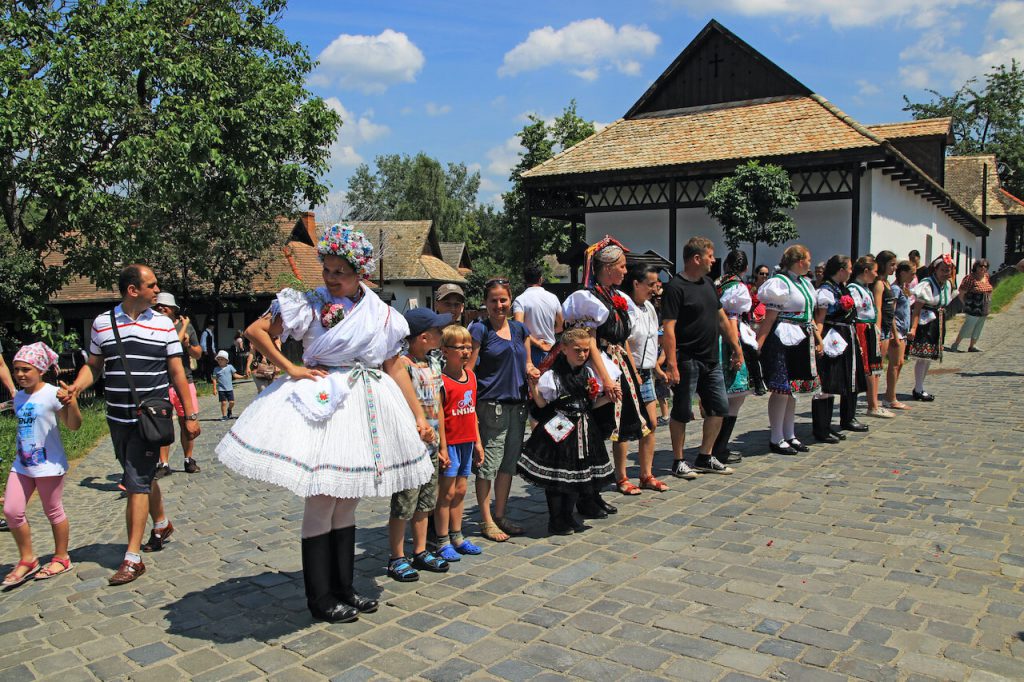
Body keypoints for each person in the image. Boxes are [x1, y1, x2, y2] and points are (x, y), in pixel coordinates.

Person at [216, 223, 435, 623]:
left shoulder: (383, 314)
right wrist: (291, 368)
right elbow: (256, 332)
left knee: (347, 501)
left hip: (365, 403)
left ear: (360, 273)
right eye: (328, 270)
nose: (332, 279)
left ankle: (343, 587)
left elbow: (393, 366)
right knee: (322, 498)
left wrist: (418, 415)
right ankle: (320, 596)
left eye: (341, 272)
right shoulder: (310, 302)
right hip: (326, 402)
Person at [65, 264, 201, 585]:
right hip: (117, 418)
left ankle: (132, 557)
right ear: (133, 290)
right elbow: (94, 366)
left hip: (150, 419)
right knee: (138, 474)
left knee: (136, 482)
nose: (157, 290)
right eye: (152, 285)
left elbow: (178, 372)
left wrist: (190, 416)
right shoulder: (102, 324)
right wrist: (77, 386)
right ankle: (162, 523)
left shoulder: (165, 325)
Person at [560, 237, 646, 517]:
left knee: (604, 432)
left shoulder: (614, 297)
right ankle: (586, 494)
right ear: (607, 268)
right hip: (600, 372)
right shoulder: (589, 298)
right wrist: (606, 380)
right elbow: (591, 343)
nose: (625, 271)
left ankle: (593, 492)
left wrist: (632, 372)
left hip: (617, 366)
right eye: (621, 266)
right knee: (592, 434)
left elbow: (625, 342)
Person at [518, 327, 614, 534]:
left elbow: (590, 404)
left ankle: (568, 515)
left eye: (586, 350)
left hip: (583, 430)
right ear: (564, 349)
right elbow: (542, 405)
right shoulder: (553, 375)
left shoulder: (587, 373)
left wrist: (607, 398)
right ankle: (556, 519)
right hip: (560, 431)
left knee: (577, 476)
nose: (582, 354)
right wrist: (534, 387)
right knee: (558, 479)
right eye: (577, 350)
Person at [661, 237, 743, 475]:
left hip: (711, 359)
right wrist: (672, 364)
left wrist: (736, 348)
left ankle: (705, 456)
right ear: (696, 258)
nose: (714, 260)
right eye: (710, 255)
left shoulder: (708, 283)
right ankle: (678, 461)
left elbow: (722, 319)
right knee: (683, 411)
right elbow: (668, 328)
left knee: (719, 408)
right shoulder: (675, 288)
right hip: (687, 359)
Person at [2, 344, 80, 587]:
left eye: (26, 369)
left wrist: (71, 403)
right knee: (12, 511)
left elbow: (74, 425)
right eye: (16, 370)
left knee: (53, 510)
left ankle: (61, 557)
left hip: (48, 464)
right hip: (22, 464)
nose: (20, 374)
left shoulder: (53, 393)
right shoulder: (19, 397)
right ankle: (27, 559)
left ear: (41, 369)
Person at [386, 308, 453, 582]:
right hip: (409, 445)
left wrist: (442, 445)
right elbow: (397, 405)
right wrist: (416, 430)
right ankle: (396, 556)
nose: (442, 335)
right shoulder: (401, 365)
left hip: (432, 443)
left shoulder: (433, 363)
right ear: (423, 337)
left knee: (426, 501)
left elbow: (437, 406)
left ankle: (421, 549)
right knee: (404, 503)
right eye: (438, 332)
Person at [469, 279, 537, 542]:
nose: (499, 305)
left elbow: (527, 362)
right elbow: (470, 371)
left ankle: (500, 514)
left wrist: (531, 370)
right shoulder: (480, 330)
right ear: (486, 303)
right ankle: (485, 520)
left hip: (518, 406)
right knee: (488, 465)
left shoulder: (520, 329)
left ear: (511, 301)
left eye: (503, 300)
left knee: (508, 464)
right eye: (493, 300)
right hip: (491, 407)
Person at [757, 245, 822, 455]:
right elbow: (770, 317)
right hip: (782, 339)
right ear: (800, 261)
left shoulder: (803, 283)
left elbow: (809, 314)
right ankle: (776, 437)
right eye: (808, 260)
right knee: (781, 388)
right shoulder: (779, 283)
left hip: (801, 337)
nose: (810, 264)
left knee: (792, 389)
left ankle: (789, 433)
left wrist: (818, 338)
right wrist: (758, 343)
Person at [434, 325, 484, 562]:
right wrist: (442, 447)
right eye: (459, 347)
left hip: (467, 442)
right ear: (445, 350)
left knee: (461, 490)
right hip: (451, 443)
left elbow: (472, 411)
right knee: (447, 492)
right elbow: (440, 416)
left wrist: (478, 442)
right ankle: (442, 539)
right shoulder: (441, 380)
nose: (465, 352)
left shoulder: (471, 376)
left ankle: (458, 535)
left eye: (468, 346)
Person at [616, 263, 666, 494]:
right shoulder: (625, 306)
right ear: (636, 283)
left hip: (646, 373)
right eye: (650, 284)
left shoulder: (649, 308)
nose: (655, 289)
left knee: (652, 424)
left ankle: (646, 474)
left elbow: (653, 339)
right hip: (628, 372)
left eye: (656, 284)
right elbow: (623, 339)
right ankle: (622, 477)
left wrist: (657, 366)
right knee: (624, 427)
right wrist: (631, 369)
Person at [713, 249, 760, 463]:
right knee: (734, 395)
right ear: (746, 267)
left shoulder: (719, 283)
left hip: (716, 337)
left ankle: (717, 444)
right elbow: (731, 317)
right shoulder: (738, 287)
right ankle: (719, 447)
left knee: (725, 394)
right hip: (729, 338)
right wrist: (736, 349)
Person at [813, 255, 865, 442]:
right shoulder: (826, 290)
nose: (851, 271)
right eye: (849, 268)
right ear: (841, 270)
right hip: (832, 337)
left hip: (845, 335)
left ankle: (828, 425)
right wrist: (818, 340)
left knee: (839, 380)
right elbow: (820, 318)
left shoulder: (841, 288)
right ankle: (821, 428)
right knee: (827, 381)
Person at [153, 292, 203, 477]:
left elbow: (198, 353)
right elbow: (172, 342)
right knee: (162, 424)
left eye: (164, 305)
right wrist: (185, 327)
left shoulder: (186, 327)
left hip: (185, 380)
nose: (160, 308)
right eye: (157, 305)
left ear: (174, 309)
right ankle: (163, 463)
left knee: (187, 422)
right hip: (161, 382)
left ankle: (188, 459)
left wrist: (189, 345)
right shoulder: (153, 327)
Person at [849, 256, 892, 419]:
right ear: (865, 271)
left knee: (874, 367)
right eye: (874, 271)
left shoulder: (865, 288)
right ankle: (872, 404)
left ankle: (874, 403)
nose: (876, 274)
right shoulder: (854, 288)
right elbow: (857, 310)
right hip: (861, 328)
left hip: (868, 327)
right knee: (867, 367)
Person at [907, 254, 954, 401]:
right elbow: (917, 308)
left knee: (929, 357)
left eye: (948, 270)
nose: (946, 273)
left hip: (937, 322)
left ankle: (920, 387)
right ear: (935, 269)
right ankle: (919, 388)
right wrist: (913, 328)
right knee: (923, 357)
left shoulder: (947, 284)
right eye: (943, 270)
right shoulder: (927, 284)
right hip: (925, 323)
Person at [513, 264, 564, 367]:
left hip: (529, 352)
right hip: (552, 350)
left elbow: (518, 328)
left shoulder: (520, 300)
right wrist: (549, 331)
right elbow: (561, 325)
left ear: (525, 280)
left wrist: (537, 342)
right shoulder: (553, 298)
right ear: (541, 279)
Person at [882, 260, 914, 410]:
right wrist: (894, 333)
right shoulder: (895, 289)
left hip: (903, 331)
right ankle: (890, 397)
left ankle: (891, 394)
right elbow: (891, 313)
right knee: (894, 364)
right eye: (911, 273)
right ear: (903, 273)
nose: (913, 276)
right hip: (897, 330)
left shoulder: (903, 288)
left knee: (900, 363)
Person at [950, 259, 993, 352]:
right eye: (980, 266)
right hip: (973, 307)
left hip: (984, 307)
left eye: (985, 266)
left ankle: (972, 346)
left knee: (979, 327)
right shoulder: (970, 278)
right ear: (976, 267)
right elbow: (961, 293)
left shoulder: (986, 276)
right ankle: (955, 344)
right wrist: (965, 304)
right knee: (968, 326)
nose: (983, 268)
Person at [211, 350, 243, 420]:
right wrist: (214, 388)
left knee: (232, 402)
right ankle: (224, 416)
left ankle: (229, 409)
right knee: (223, 403)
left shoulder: (230, 367)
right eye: (218, 359)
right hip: (221, 389)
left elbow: (235, 375)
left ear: (226, 360)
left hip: (229, 388)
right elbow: (214, 379)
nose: (220, 361)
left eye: (221, 359)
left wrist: (243, 377)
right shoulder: (216, 369)